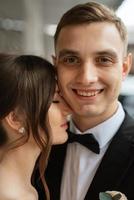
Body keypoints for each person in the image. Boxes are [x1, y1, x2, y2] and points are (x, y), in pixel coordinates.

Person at [34, 1, 134, 200]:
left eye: (103, 59)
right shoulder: (35, 148)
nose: (86, 78)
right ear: (56, 67)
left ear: (124, 68)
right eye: (71, 60)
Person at [0, 53, 71, 200]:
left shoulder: (23, 189)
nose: (68, 109)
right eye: (55, 101)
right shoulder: (9, 195)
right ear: (15, 118)